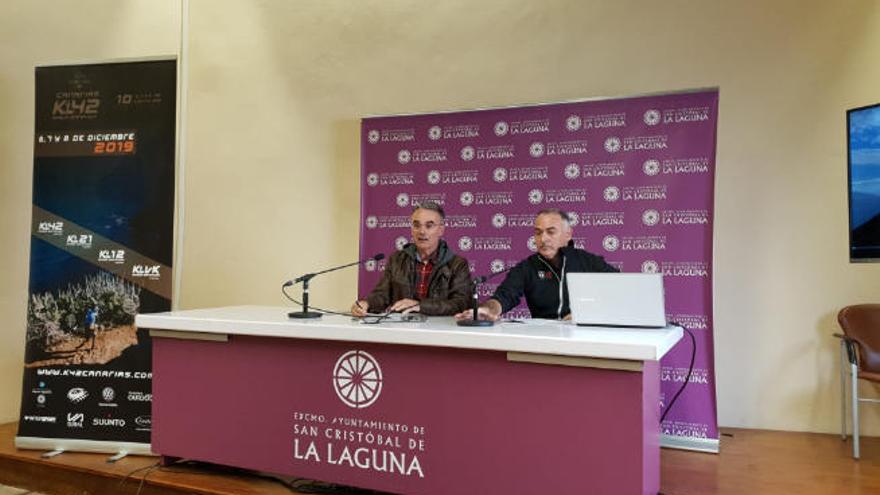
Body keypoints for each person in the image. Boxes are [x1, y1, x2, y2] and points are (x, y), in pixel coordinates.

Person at [455, 208, 617, 321]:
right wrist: (489, 310)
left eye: (551, 232)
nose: (543, 239)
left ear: (568, 234)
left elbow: (621, 292)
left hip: (585, 339)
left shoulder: (588, 261)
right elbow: (504, 296)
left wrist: (586, 314)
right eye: (538, 233)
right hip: (544, 342)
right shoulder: (527, 267)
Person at [351, 202, 472, 316]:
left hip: (438, 331)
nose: (422, 231)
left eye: (429, 226)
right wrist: (366, 303)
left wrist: (421, 306)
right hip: (402, 329)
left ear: (441, 230)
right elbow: (382, 294)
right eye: (416, 225)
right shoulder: (397, 259)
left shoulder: (457, 264)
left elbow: (461, 303)